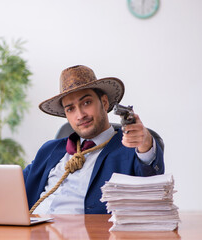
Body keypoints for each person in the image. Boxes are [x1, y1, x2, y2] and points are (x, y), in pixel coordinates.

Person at [23, 65, 164, 214]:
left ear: (104, 103)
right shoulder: (49, 149)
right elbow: (14, 185)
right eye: (70, 109)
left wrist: (146, 142)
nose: (80, 115)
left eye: (86, 103)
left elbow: (151, 181)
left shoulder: (130, 147)